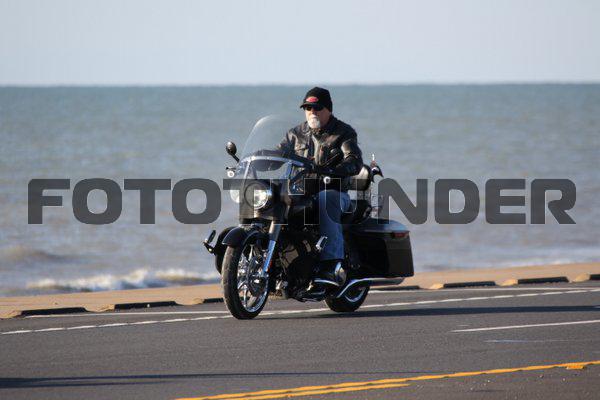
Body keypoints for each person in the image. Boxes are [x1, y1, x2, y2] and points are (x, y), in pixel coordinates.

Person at [279, 87, 364, 288]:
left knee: (327, 199)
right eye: (307, 108)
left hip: (335, 193)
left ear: (328, 109)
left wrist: (335, 169)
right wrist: (255, 159)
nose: (312, 112)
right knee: (269, 198)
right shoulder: (295, 134)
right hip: (301, 193)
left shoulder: (343, 132)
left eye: (317, 108)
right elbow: (277, 154)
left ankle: (331, 265)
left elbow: (354, 160)